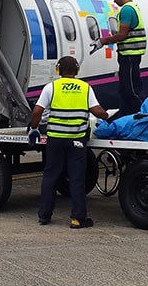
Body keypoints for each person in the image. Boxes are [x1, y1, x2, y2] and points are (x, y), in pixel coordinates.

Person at [27, 55, 110, 229]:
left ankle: (44, 216)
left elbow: (36, 112)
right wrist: (107, 116)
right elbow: (97, 110)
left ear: (58, 70)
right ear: (77, 71)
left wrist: (34, 129)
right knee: (77, 178)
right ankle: (77, 219)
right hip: (76, 141)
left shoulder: (51, 87)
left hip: (55, 140)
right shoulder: (85, 87)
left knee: (50, 176)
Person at [90, 0, 146, 118]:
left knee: (131, 88)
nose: (114, 0)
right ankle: (125, 112)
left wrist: (103, 41)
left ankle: (142, 113)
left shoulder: (127, 10)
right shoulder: (133, 7)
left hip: (130, 56)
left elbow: (122, 35)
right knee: (125, 88)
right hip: (128, 55)